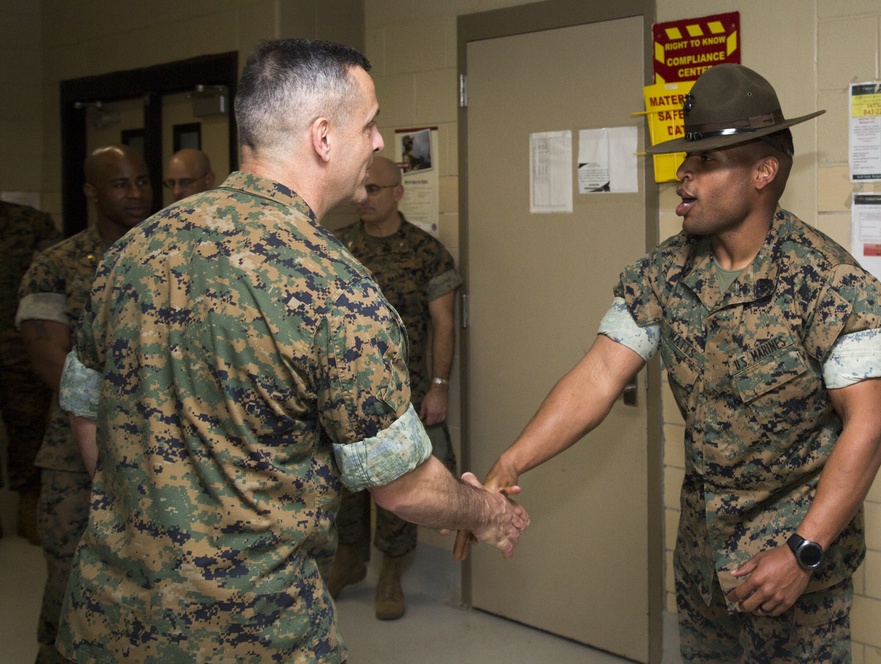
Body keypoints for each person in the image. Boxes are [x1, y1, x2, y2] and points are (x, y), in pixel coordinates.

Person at [55, 39, 527, 663]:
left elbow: (87, 413)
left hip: (108, 624)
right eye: (371, 124)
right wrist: (484, 511)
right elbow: (404, 488)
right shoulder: (334, 288)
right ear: (324, 138)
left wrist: (153, 521)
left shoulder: (132, 252)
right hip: (252, 635)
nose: (381, 141)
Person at [458, 64, 881, 662]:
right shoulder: (663, 273)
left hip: (795, 566)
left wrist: (803, 551)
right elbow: (597, 377)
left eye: (707, 162)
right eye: (685, 158)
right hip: (703, 559)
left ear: (764, 172)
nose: (682, 176)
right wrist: (509, 463)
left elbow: (868, 428)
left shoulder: (833, 286)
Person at [16, 145, 153, 664]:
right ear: (92, 192)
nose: (137, 194)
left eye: (142, 181)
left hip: (156, 450)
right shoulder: (56, 264)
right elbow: (47, 355)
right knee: (70, 572)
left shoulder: (168, 256)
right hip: (73, 454)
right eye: (121, 184)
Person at [327, 155, 462, 620]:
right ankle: (348, 559)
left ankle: (390, 569)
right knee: (344, 482)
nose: (364, 199)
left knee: (397, 482)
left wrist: (439, 386)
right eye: (360, 190)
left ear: (398, 192)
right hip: (343, 390)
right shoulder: (338, 248)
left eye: (375, 190)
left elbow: (444, 325)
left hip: (402, 391)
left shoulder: (427, 252)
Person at [0, 200, 60, 543]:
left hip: (20, 349)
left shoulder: (31, 223)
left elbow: (52, 281)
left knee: (28, 427)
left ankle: (28, 502)